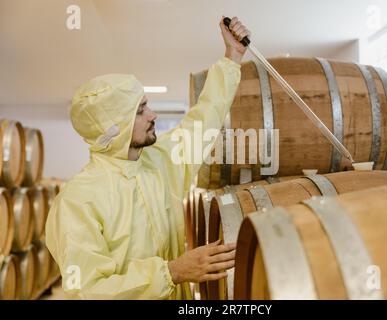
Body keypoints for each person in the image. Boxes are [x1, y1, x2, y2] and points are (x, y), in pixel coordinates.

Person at [45, 17, 250, 299]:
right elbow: (87, 291)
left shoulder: (160, 161)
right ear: (114, 128)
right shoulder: (77, 201)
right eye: (140, 110)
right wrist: (172, 272)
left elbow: (204, 119)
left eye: (147, 105)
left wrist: (232, 57)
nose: (153, 115)